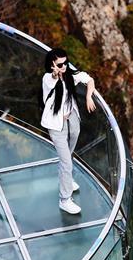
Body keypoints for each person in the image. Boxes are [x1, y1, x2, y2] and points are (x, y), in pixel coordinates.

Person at [41, 48, 96, 215]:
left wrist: (88, 96)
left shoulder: (70, 74)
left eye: (65, 62)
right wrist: (55, 74)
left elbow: (89, 79)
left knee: (69, 154)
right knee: (66, 161)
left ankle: (67, 177)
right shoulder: (48, 78)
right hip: (56, 123)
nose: (63, 66)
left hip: (71, 117)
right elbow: (52, 80)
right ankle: (65, 199)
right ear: (52, 64)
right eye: (59, 64)